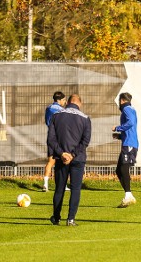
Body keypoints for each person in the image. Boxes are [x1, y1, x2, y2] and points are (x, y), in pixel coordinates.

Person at [47, 94, 92, 226]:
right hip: (78, 159)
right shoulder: (85, 118)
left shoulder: (56, 116)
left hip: (61, 159)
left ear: (68, 102)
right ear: (80, 103)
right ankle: (71, 219)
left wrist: (62, 153)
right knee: (76, 189)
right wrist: (72, 154)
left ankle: (56, 217)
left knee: (59, 188)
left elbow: (51, 139)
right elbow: (85, 141)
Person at [114, 92, 138, 208]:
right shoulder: (130, 109)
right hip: (127, 142)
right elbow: (131, 128)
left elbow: (131, 123)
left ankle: (128, 194)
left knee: (124, 168)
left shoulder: (127, 109)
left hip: (129, 144)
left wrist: (118, 128)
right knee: (119, 170)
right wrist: (120, 136)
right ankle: (129, 195)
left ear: (122, 100)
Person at [43, 91, 67, 192]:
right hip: (60, 137)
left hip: (51, 136)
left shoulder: (48, 108)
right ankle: (63, 185)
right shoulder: (62, 110)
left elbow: (47, 121)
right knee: (64, 160)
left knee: (51, 161)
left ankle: (45, 184)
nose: (65, 102)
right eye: (64, 100)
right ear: (59, 100)